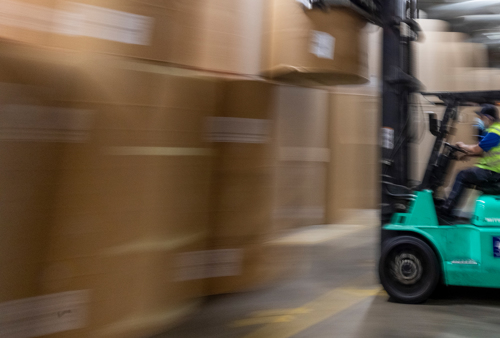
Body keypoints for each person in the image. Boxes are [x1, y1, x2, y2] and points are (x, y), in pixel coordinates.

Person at [438, 104, 500, 220]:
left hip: (493, 172)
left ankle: (446, 211)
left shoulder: (495, 132)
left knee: (462, 175)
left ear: (488, 118)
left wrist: (463, 146)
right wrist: (467, 154)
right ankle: (450, 209)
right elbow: (484, 152)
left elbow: (477, 148)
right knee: (466, 176)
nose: (480, 121)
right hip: (492, 171)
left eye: (481, 118)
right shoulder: (495, 130)